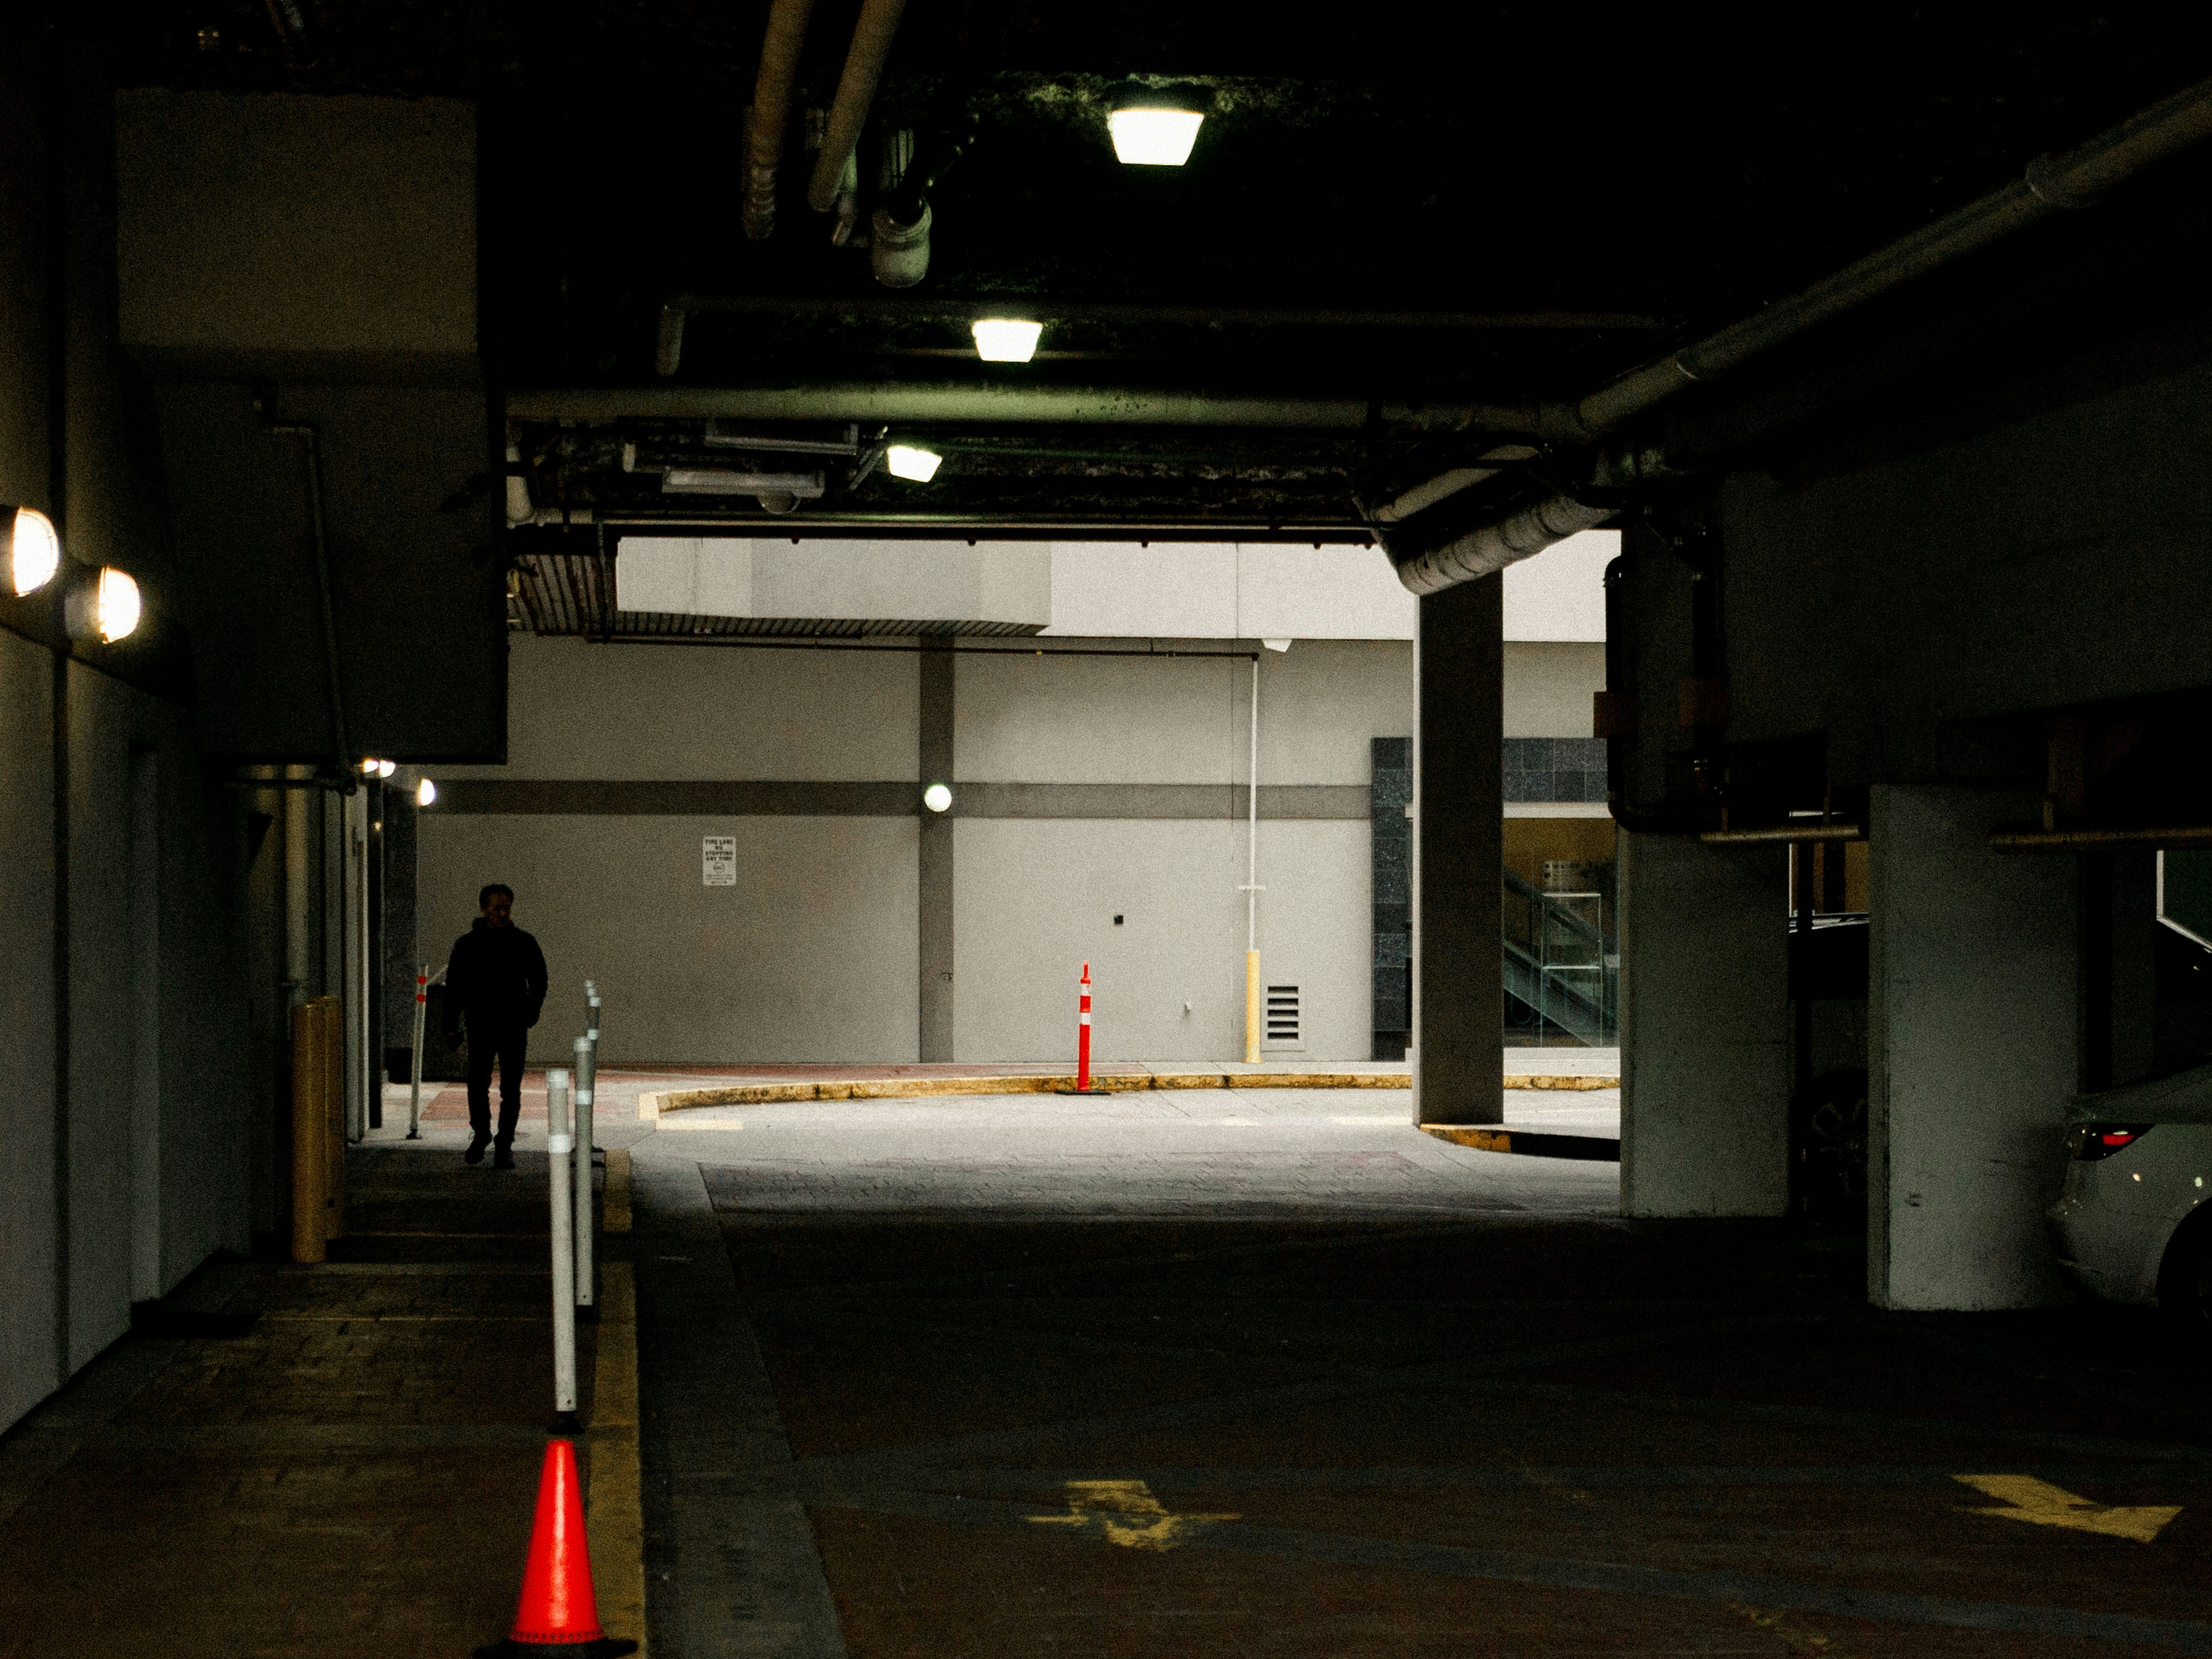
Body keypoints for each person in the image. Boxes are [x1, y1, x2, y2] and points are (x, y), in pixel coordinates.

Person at [443, 883, 548, 1169]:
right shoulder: (467, 946)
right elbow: (454, 987)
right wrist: (451, 1025)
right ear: (484, 909)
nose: (503, 913)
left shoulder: (523, 943)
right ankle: (482, 1133)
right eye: (497, 908)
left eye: (507, 908)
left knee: (510, 1088)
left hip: (513, 1023)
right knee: (478, 1083)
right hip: (481, 1023)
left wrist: (530, 1011)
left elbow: (539, 980)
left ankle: (503, 1144)